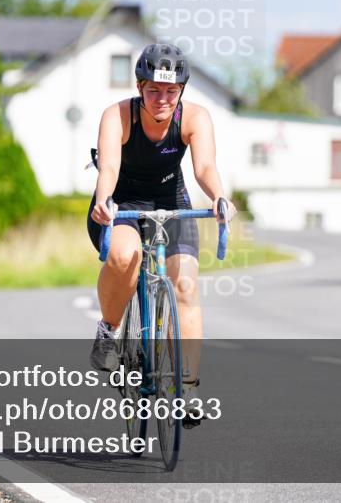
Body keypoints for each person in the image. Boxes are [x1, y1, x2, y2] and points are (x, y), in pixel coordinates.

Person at [86, 42, 236, 428]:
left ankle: (187, 388)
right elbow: (109, 169)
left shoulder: (195, 118)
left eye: (171, 91)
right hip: (122, 201)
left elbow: (204, 165)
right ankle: (109, 327)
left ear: (182, 91)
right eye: (154, 89)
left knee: (184, 284)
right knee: (124, 258)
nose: (162, 99)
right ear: (139, 88)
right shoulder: (117, 116)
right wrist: (103, 201)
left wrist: (219, 197)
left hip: (172, 200)